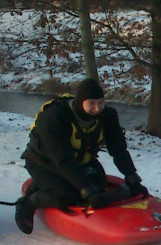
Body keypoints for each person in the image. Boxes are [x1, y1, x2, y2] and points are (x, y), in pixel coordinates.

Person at [15, 77, 147, 234]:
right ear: (80, 102)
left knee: (99, 189)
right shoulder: (55, 117)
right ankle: (28, 202)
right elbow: (63, 159)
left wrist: (132, 178)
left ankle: (46, 185)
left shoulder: (108, 116)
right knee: (68, 196)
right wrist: (86, 190)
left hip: (81, 161)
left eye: (100, 103)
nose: (97, 108)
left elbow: (118, 150)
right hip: (45, 162)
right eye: (92, 104)